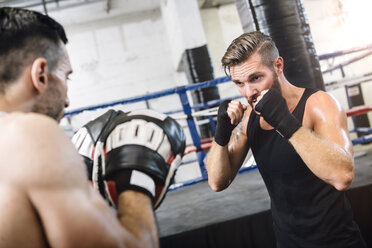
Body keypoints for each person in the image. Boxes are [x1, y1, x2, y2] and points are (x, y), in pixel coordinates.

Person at [0, 7, 185, 248]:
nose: (67, 100)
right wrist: (135, 182)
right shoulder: (28, 135)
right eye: (66, 77)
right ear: (41, 75)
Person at [206, 31, 366, 247]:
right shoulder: (249, 117)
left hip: (336, 242)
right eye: (239, 83)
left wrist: (284, 120)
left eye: (256, 78)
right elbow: (217, 182)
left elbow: (343, 176)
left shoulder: (318, 104)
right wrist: (221, 133)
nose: (249, 92)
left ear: (278, 66)